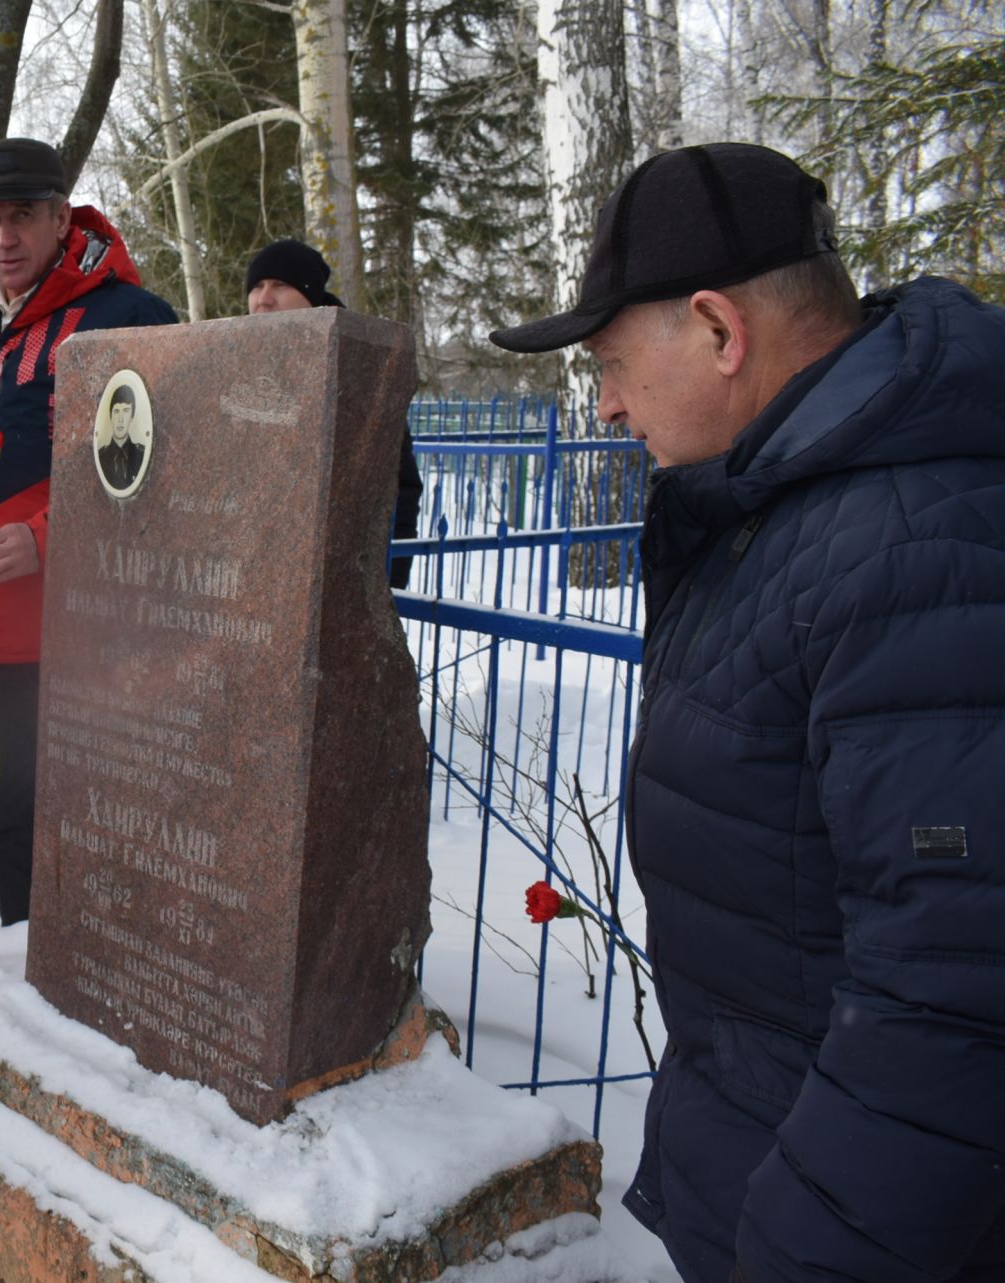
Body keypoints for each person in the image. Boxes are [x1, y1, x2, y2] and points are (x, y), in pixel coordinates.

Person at [490, 143, 1005, 1283]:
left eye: (615, 363)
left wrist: (796, 1247)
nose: (610, 402)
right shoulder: (775, 508)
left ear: (723, 331)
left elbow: (953, 988)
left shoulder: (913, 550)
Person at [0, 138, 177, 926]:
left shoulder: (128, 316)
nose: (4, 237)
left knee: (102, 824)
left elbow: (169, 467)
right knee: (9, 824)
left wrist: (48, 535)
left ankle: (108, 987)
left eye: (23, 215)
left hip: (97, 630)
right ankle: (27, 984)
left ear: (62, 216)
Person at [245, 238, 423, 588]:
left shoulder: (358, 368)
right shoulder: (236, 360)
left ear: (311, 295)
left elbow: (398, 486)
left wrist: (388, 583)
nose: (264, 299)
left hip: (333, 580)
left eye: (281, 285)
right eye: (257, 286)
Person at [96, 385, 146, 491]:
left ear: (132, 416)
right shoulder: (101, 455)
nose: (120, 419)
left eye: (126, 411)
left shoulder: (141, 454)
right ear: (110, 416)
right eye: (116, 411)